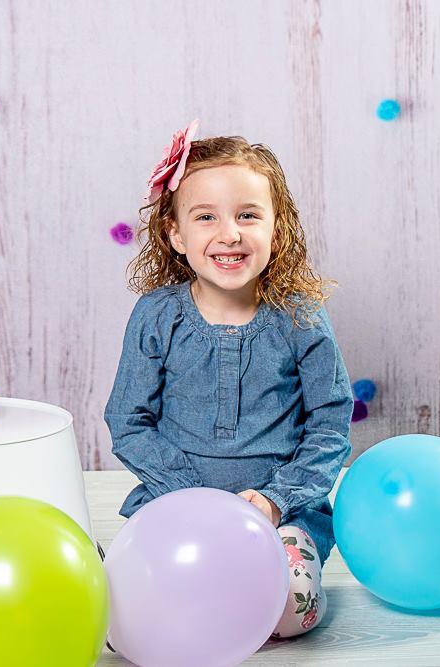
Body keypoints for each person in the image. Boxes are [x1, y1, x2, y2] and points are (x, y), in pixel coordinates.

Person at [104, 120, 353, 637]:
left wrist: (276, 498)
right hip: (175, 504)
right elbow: (128, 420)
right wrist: (188, 494)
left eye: (247, 215)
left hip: (278, 514)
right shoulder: (157, 316)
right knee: (132, 612)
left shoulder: (301, 316)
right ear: (175, 233)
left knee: (289, 615)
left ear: (276, 228)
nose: (230, 233)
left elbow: (330, 424)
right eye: (206, 217)